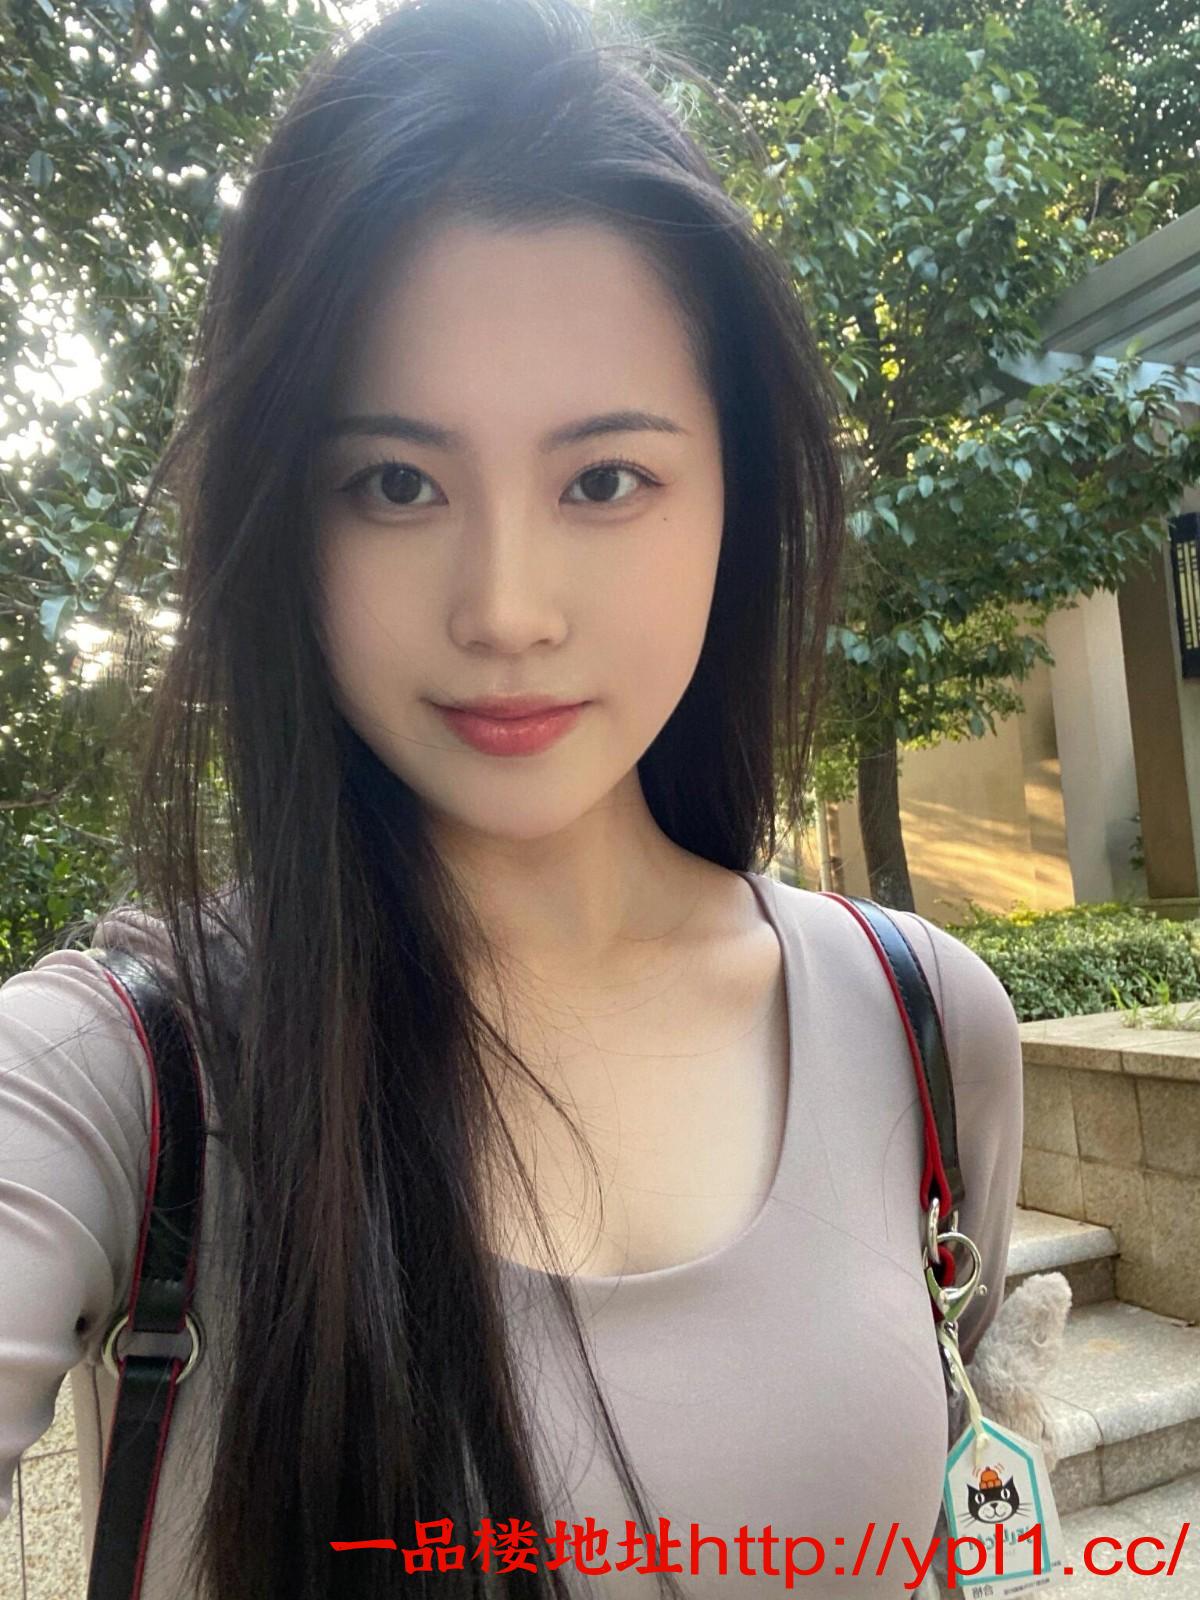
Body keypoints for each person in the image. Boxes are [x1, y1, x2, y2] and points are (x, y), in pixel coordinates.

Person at [0, 0, 1023, 1596]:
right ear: (289, 519)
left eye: (604, 479)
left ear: (735, 493)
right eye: (395, 484)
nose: (504, 609)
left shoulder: (925, 1027)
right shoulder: (118, 1079)